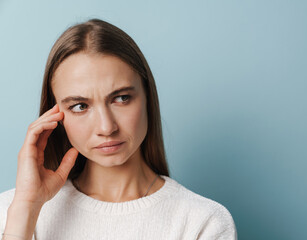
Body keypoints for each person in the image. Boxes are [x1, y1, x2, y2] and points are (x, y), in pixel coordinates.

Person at [0, 18, 237, 240]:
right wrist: (26, 209)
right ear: (55, 116)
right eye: (80, 106)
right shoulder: (12, 210)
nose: (106, 127)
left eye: (121, 98)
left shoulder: (202, 221)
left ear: (147, 97)